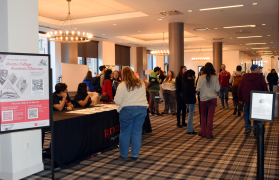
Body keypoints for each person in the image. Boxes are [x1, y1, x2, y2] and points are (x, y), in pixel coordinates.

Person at [114, 67, 148, 161]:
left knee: (125, 133)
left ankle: (124, 155)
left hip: (127, 109)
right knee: (137, 133)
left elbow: (117, 101)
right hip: (142, 108)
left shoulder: (122, 85)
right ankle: (135, 155)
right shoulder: (141, 83)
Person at [238, 65, 268, 137]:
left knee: (246, 113)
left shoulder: (244, 78)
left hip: (247, 98)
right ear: (255, 70)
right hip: (257, 99)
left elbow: (240, 88)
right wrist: (266, 98)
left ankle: (248, 127)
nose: (260, 70)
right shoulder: (260, 78)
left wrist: (240, 98)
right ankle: (256, 129)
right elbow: (265, 88)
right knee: (257, 114)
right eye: (259, 69)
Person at [197, 63, 220, 139]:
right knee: (210, 116)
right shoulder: (215, 77)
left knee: (203, 116)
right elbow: (217, 89)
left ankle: (203, 132)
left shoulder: (200, 78)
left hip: (203, 99)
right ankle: (209, 134)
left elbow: (197, 89)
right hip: (213, 98)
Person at [182, 69, 197, 134]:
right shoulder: (190, 82)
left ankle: (189, 129)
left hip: (186, 99)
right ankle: (189, 130)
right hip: (191, 100)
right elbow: (192, 91)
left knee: (189, 114)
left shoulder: (184, 81)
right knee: (190, 115)